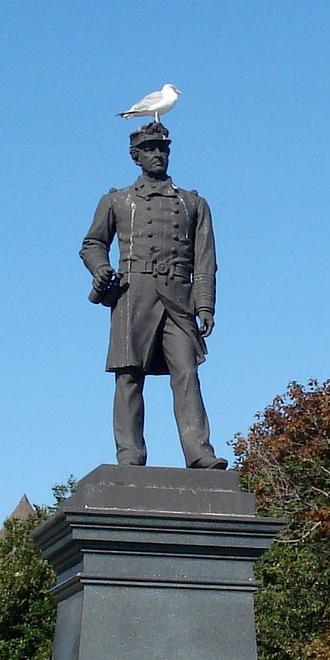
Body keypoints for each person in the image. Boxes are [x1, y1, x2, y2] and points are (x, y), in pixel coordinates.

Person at [81, 122, 226, 469]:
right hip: (133, 294)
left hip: (179, 298)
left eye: (162, 149)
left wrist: (204, 303)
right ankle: (130, 455)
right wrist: (101, 269)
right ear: (136, 157)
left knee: (187, 373)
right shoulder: (118, 201)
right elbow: (92, 244)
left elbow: (205, 260)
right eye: (149, 149)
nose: (157, 155)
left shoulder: (193, 203)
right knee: (129, 376)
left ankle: (199, 452)